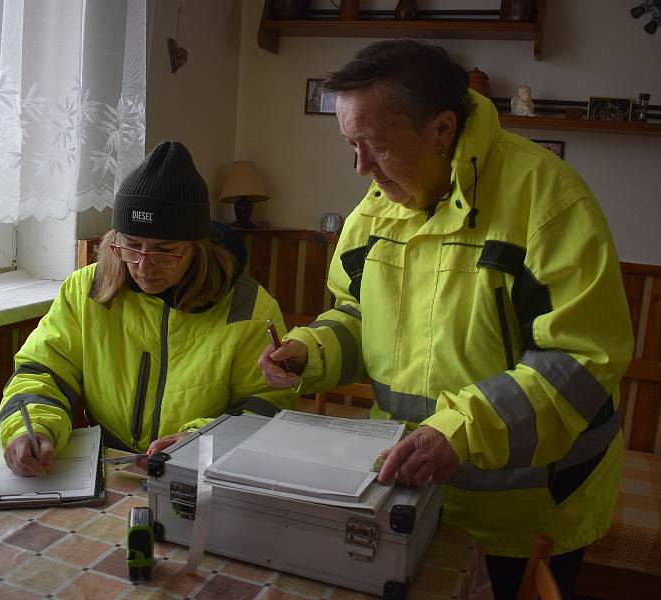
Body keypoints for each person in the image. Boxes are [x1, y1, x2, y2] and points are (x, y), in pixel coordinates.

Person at [259, 40, 633, 600]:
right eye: (350, 145)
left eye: (376, 145)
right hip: (410, 491)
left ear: (441, 129)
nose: (360, 167)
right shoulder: (375, 208)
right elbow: (357, 314)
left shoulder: (549, 199)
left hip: (527, 509)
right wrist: (311, 351)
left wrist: (459, 432)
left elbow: (579, 361)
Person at [0, 140, 296, 476]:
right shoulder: (85, 290)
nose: (143, 266)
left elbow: (268, 403)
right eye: (132, 245)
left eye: (165, 250)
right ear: (115, 239)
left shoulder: (249, 306)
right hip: (111, 467)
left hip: (203, 471)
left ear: (197, 246)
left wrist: (198, 440)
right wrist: (33, 427)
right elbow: (42, 370)